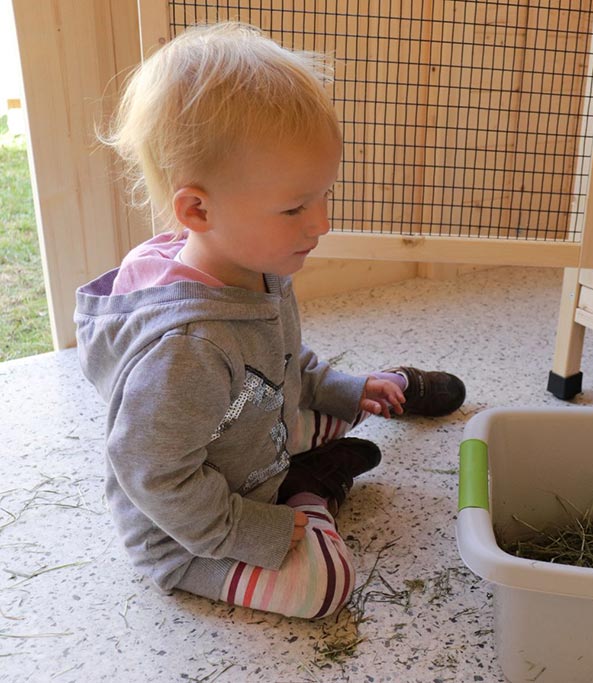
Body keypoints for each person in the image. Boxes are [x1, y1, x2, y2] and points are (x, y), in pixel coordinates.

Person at [75, 21, 465, 620]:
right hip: (189, 534)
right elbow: (155, 477)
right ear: (197, 209)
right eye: (295, 207)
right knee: (327, 587)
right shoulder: (187, 349)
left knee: (332, 401)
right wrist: (260, 528)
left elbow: (281, 363)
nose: (321, 224)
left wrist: (346, 389)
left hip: (253, 430)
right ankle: (314, 488)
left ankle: (378, 389)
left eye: (323, 196)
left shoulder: (258, 261)